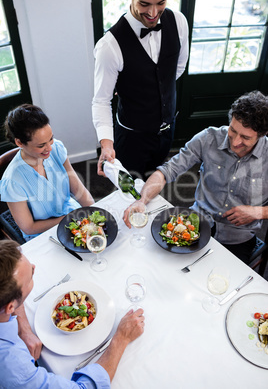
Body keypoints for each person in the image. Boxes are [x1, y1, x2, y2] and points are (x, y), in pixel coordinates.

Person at [123, 90, 268, 264]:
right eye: (233, 130)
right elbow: (166, 171)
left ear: (262, 135)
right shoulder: (209, 138)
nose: (236, 142)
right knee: (160, 263)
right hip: (196, 222)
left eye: (245, 137)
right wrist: (142, 200)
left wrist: (259, 212)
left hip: (237, 238)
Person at [0, 239, 145, 388]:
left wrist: (23, 329)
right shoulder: (13, 367)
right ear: (10, 307)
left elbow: (10, 293)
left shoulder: (5, 301)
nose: (34, 266)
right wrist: (121, 338)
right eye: (31, 273)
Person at [92, 0, 189, 179]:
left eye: (161, 2)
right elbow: (101, 101)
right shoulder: (109, 46)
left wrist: (149, 88)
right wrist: (106, 144)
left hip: (167, 130)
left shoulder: (179, 22)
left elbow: (178, 68)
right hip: (131, 138)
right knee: (129, 192)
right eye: (144, 4)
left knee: (154, 181)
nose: (153, 13)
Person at [0, 104, 95, 241]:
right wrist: (68, 219)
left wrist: (94, 209)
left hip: (71, 213)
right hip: (43, 232)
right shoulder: (12, 180)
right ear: (19, 142)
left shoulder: (56, 148)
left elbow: (76, 187)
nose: (49, 148)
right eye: (41, 145)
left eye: (50, 139)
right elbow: (29, 227)